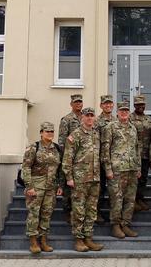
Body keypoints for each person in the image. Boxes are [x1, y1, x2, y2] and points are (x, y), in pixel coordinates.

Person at [62, 107, 104, 252]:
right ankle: (78, 240)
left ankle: (88, 238)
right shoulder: (75, 135)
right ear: (82, 118)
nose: (90, 118)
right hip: (79, 179)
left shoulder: (96, 134)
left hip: (94, 178)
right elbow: (67, 158)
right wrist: (69, 177)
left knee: (91, 210)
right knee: (79, 210)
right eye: (87, 116)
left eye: (92, 116)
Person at [20, 122, 63, 254]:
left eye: (52, 131)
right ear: (41, 132)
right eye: (47, 131)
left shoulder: (57, 148)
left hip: (51, 187)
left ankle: (43, 240)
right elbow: (26, 167)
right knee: (34, 213)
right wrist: (29, 186)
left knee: (46, 213)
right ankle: (33, 241)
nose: (50, 133)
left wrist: (60, 185)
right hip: (36, 186)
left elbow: (59, 169)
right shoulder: (34, 147)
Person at [102, 100, 141, 239]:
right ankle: (115, 225)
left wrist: (138, 167)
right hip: (117, 169)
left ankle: (125, 224)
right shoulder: (110, 127)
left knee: (130, 199)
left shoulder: (132, 128)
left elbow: (137, 149)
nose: (124, 113)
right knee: (116, 199)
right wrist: (108, 169)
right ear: (117, 112)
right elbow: (105, 150)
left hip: (131, 169)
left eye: (126, 110)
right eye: (121, 111)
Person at [57, 93, 83, 219]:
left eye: (80, 102)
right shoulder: (66, 119)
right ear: (71, 104)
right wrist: (64, 157)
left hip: (83, 158)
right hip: (69, 156)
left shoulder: (86, 117)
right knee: (68, 186)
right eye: (76, 102)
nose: (78, 104)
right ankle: (67, 211)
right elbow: (62, 140)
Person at [130, 94, 151, 211]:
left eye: (142, 104)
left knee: (143, 178)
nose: (140, 106)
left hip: (145, 154)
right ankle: (132, 200)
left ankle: (140, 198)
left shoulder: (149, 119)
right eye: (138, 104)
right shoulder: (130, 118)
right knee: (134, 179)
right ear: (134, 105)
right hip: (133, 155)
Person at [96, 94, 115, 223]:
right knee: (100, 188)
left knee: (114, 189)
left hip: (114, 159)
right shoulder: (97, 121)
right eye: (105, 104)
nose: (108, 105)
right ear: (101, 105)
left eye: (110, 103)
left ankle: (112, 214)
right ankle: (97, 213)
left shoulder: (116, 120)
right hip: (99, 159)